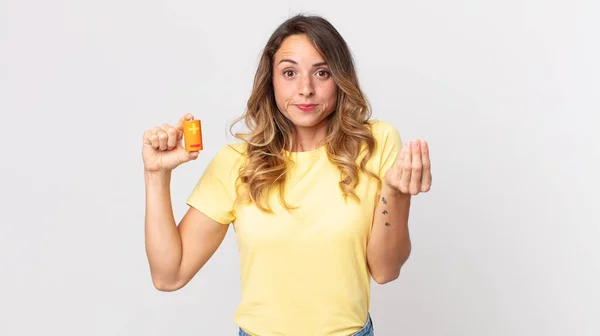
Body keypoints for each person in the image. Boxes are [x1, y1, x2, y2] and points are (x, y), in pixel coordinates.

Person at [142, 14, 432, 336]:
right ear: (272, 81)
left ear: (340, 78)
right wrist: (156, 176)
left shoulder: (375, 144)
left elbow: (385, 270)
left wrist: (396, 193)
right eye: (290, 73)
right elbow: (169, 276)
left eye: (321, 73)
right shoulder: (236, 163)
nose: (305, 89)